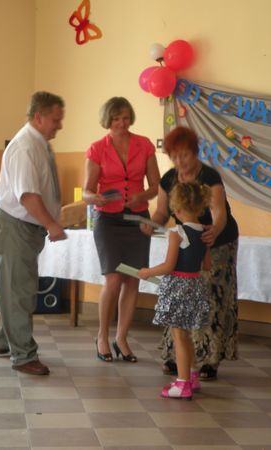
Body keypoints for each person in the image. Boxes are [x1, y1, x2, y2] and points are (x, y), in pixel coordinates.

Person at [141, 126, 239, 380]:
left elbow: (219, 212)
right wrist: (151, 224)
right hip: (186, 241)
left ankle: (209, 360)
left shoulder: (209, 176)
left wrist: (215, 230)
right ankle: (177, 357)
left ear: (194, 153)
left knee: (211, 298)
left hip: (217, 241)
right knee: (181, 297)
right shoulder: (169, 179)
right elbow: (162, 212)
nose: (179, 161)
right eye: (174, 156)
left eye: (183, 155)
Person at [0, 91, 67, 376]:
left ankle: (5, 340)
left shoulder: (39, 144)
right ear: (38, 117)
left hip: (25, 228)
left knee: (18, 288)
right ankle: (23, 355)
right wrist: (51, 224)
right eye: (55, 120)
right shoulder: (25, 147)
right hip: (15, 226)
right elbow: (28, 197)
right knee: (19, 291)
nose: (59, 125)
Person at [83, 97, 160, 363]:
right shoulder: (97, 149)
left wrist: (141, 197)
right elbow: (86, 191)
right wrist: (95, 198)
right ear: (108, 120)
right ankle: (102, 336)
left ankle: (122, 338)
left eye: (125, 118)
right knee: (114, 279)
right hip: (108, 220)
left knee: (133, 279)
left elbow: (156, 186)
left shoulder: (144, 145)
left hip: (137, 218)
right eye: (116, 118)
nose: (121, 123)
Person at [139, 182, 212, 400]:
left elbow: (169, 266)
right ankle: (192, 376)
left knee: (179, 335)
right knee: (185, 334)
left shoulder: (177, 232)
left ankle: (182, 384)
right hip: (195, 285)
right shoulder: (205, 233)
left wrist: (147, 271)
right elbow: (207, 265)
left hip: (178, 287)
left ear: (177, 209)